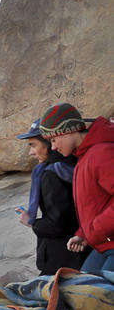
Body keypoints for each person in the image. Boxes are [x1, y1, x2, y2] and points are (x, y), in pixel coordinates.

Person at [39, 103, 114, 273]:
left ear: (68, 130)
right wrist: (83, 233)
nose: (53, 147)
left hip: (109, 243)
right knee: (76, 290)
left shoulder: (100, 153)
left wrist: (94, 229)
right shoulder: (83, 156)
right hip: (103, 243)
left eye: (53, 139)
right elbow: (97, 204)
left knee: (94, 297)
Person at [15, 119, 86, 274]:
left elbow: (57, 224)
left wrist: (32, 222)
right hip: (83, 251)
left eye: (33, 145)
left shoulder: (50, 175)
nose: (31, 152)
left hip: (62, 258)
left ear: (48, 144)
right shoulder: (74, 164)